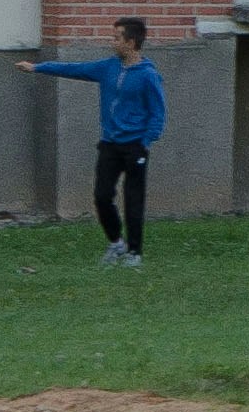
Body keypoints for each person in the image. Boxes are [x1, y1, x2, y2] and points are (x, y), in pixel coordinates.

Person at [20, 18, 164, 266]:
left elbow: (158, 113)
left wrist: (146, 142)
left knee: (133, 200)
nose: (112, 42)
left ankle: (135, 254)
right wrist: (37, 68)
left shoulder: (148, 75)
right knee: (101, 195)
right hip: (110, 144)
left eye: (116, 38)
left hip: (135, 147)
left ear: (131, 42)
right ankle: (117, 243)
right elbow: (73, 69)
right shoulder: (107, 67)